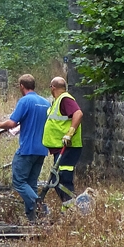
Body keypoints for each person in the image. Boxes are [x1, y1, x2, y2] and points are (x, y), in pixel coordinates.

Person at [0, 74, 50, 222]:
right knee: (31, 183)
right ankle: (33, 218)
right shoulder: (46, 103)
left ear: (22, 86)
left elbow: (12, 123)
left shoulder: (25, 101)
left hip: (27, 149)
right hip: (42, 150)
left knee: (19, 182)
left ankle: (39, 205)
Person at [42, 76, 83, 208]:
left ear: (53, 87)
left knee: (62, 179)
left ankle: (72, 207)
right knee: (57, 180)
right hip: (60, 147)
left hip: (68, 147)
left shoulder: (65, 99)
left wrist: (70, 133)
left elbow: (78, 114)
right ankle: (69, 207)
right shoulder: (57, 101)